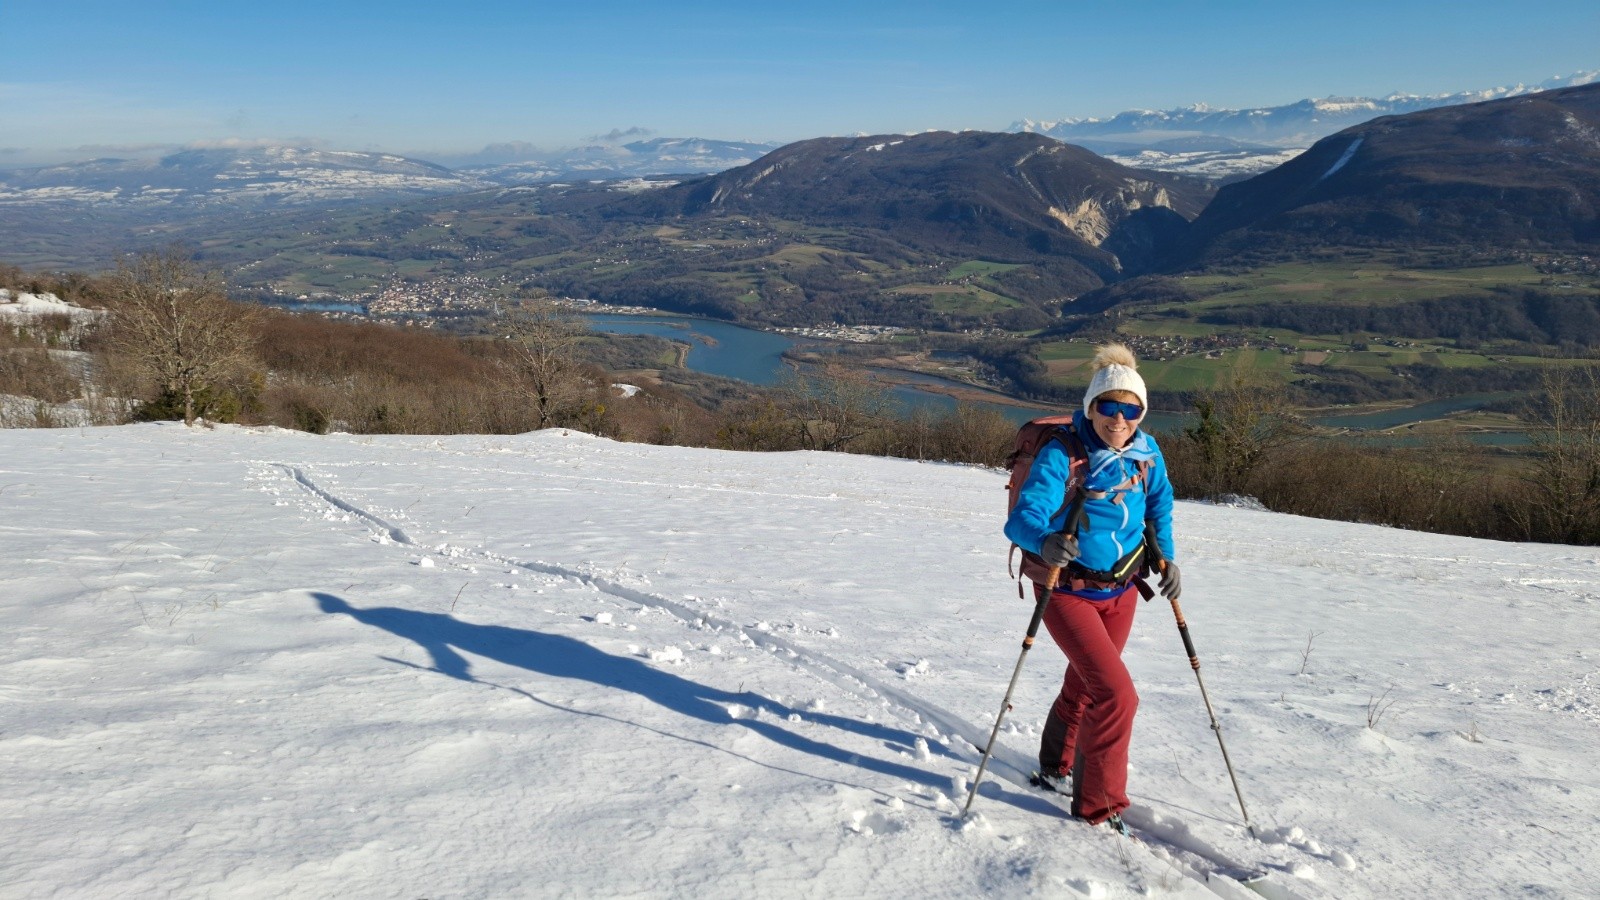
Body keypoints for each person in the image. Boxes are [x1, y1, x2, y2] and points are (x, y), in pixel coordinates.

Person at [1003, 343, 1179, 830]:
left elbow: (1159, 503)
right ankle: (1098, 808)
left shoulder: (1146, 452)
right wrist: (1045, 540)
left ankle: (1055, 763)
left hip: (1122, 591)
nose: (1119, 419)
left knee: (1086, 685)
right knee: (1117, 695)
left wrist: (1165, 556)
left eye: (1131, 409)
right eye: (1108, 407)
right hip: (1065, 592)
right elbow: (1022, 520)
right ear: (1091, 407)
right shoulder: (1064, 452)